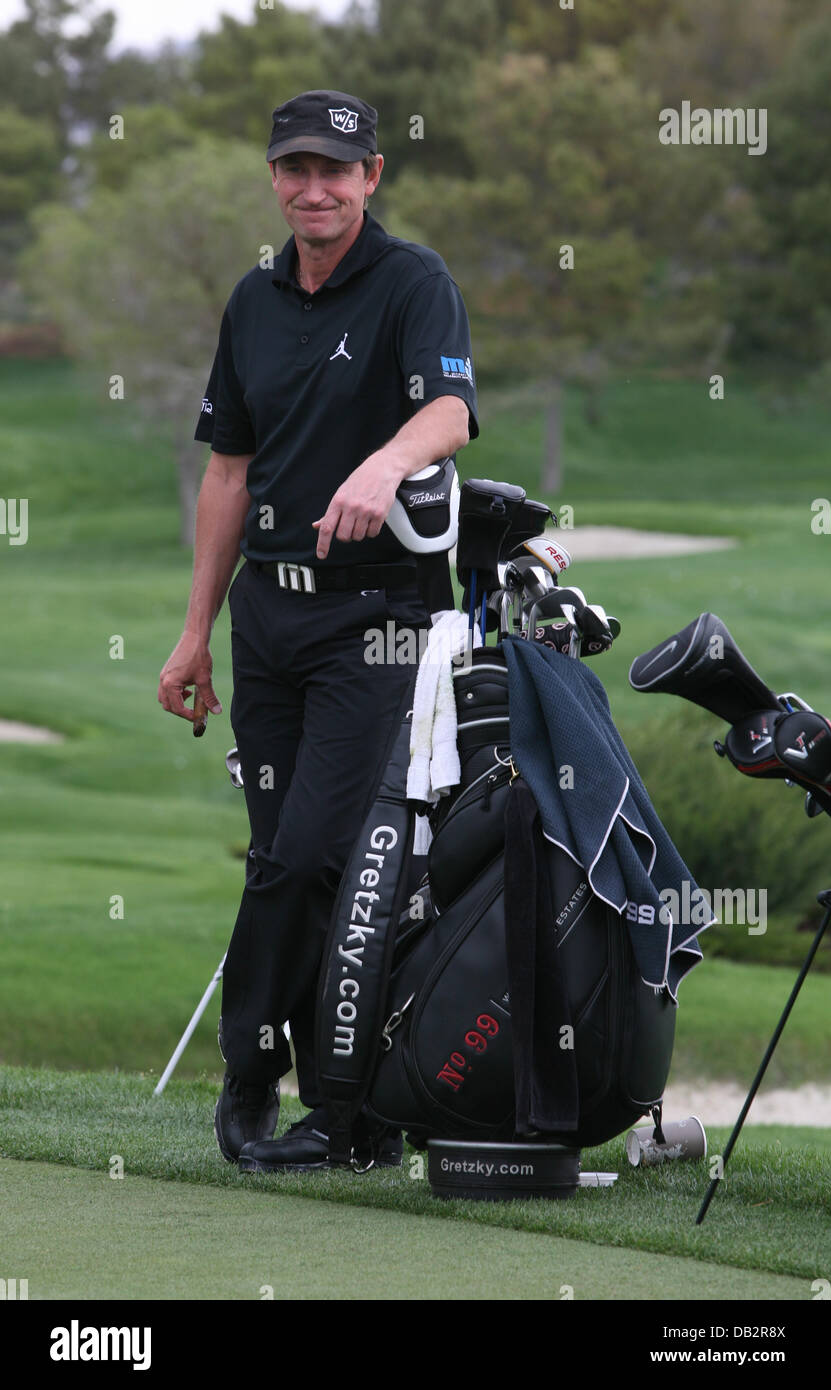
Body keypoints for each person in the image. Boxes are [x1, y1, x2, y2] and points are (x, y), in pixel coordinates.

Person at [157, 89, 479, 1171]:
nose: (314, 189)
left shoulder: (411, 281)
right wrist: (194, 630)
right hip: (269, 617)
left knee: (309, 854)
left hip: (375, 620)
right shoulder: (251, 298)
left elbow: (450, 412)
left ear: (371, 176)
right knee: (282, 862)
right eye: (295, 169)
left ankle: (262, 1084)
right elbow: (228, 471)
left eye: (335, 171)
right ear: (275, 178)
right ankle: (342, 1115)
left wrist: (391, 458)